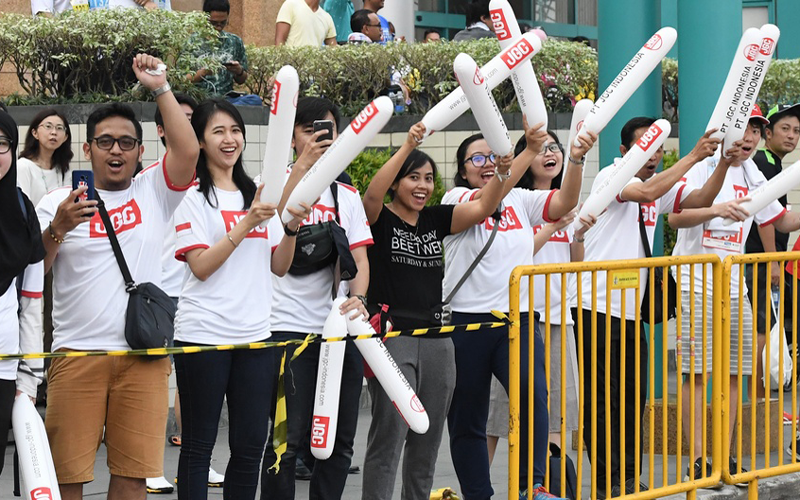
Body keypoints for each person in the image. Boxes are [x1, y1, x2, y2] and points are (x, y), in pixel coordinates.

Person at [35, 53, 199, 500]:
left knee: (132, 476)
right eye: (105, 142)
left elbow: (188, 152)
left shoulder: (154, 190)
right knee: (66, 476)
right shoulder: (56, 203)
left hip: (143, 358)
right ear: (87, 150)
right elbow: (36, 272)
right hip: (76, 356)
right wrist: (58, 229)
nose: (116, 151)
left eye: (126, 143)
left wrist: (161, 88)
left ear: (141, 151)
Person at [360, 122, 521, 500]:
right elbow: (371, 194)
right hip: (394, 341)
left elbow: (483, 206)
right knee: (389, 436)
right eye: (413, 178)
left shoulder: (436, 219)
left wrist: (501, 171)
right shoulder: (379, 219)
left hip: (439, 342)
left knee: (427, 440)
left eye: (429, 179)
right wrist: (408, 145)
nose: (422, 186)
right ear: (397, 182)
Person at [443, 122, 596, 500]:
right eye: (476, 158)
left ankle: (534, 487)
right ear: (463, 169)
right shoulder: (455, 198)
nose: (486, 163)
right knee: (469, 416)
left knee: (533, 396)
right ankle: (478, 493)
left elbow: (563, 204)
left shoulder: (521, 200)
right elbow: (485, 205)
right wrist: (523, 152)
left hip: (518, 319)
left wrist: (575, 159)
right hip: (467, 322)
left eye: (492, 156)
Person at [579, 117, 730, 498]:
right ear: (624, 151)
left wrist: (723, 163)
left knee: (633, 397)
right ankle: (606, 481)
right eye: (645, 148)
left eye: (659, 150)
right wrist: (694, 155)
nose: (654, 156)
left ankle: (629, 477)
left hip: (631, 312)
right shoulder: (612, 177)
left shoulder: (656, 182)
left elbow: (698, 201)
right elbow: (644, 195)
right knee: (603, 400)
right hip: (596, 304)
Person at [171, 97, 309, 499]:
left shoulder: (259, 193)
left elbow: (279, 266)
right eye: (218, 131)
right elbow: (200, 266)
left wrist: (292, 227)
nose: (229, 139)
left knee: (250, 447)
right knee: (198, 446)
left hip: (255, 337)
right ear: (199, 141)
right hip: (203, 336)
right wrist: (247, 222)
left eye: (235, 131)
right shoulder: (192, 198)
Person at [670, 109, 800, 481]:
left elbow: (780, 220)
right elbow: (676, 217)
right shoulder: (702, 162)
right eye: (744, 128)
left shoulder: (752, 172)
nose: (749, 138)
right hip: (696, 281)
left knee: (735, 373)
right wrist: (716, 208)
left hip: (734, 286)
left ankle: (723, 458)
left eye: (757, 131)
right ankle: (697, 461)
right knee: (697, 373)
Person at [260, 96, 372, 500]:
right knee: (285, 442)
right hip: (288, 329)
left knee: (339, 441)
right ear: (292, 138)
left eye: (327, 130)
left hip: (340, 332)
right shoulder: (272, 185)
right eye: (309, 130)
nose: (319, 138)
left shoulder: (346, 195)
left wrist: (358, 300)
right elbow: (274, 240)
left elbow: (360, 257)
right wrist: (304, 167)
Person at [0, 111, 46, 475]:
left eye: (1, 144)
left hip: (4, 367)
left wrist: (30, 378)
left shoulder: (21, 210)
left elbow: (31, 301)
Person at [745, 103, 800, 355]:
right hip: (759, 262)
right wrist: (772, 261)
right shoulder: (763, 162)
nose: (792, 136)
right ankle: (756, 394)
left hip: (762, 262)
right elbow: (763, 215)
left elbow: (780, 217)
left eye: (797, 131)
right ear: (768, 134)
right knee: (761, 330)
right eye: (785, 128)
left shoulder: (774, 164)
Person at [192, 0, 260, 106]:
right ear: (205, 18)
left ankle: (222, 109)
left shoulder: (234, 42)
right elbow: (183, 81)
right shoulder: (192, 42)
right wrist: (204, 72)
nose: (219, 27)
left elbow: (241, 80)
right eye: (214, 23)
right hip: (200, 99)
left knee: (254, 100)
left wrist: (239, 71)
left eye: (223, 22)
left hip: (227, 98)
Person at [17, 109, 73, 206]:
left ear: (65, 137)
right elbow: (23, 209)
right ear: (35, 133)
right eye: (48, 126)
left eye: (59, 128)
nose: (54, 132)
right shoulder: (23, 166)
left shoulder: (64, 168)